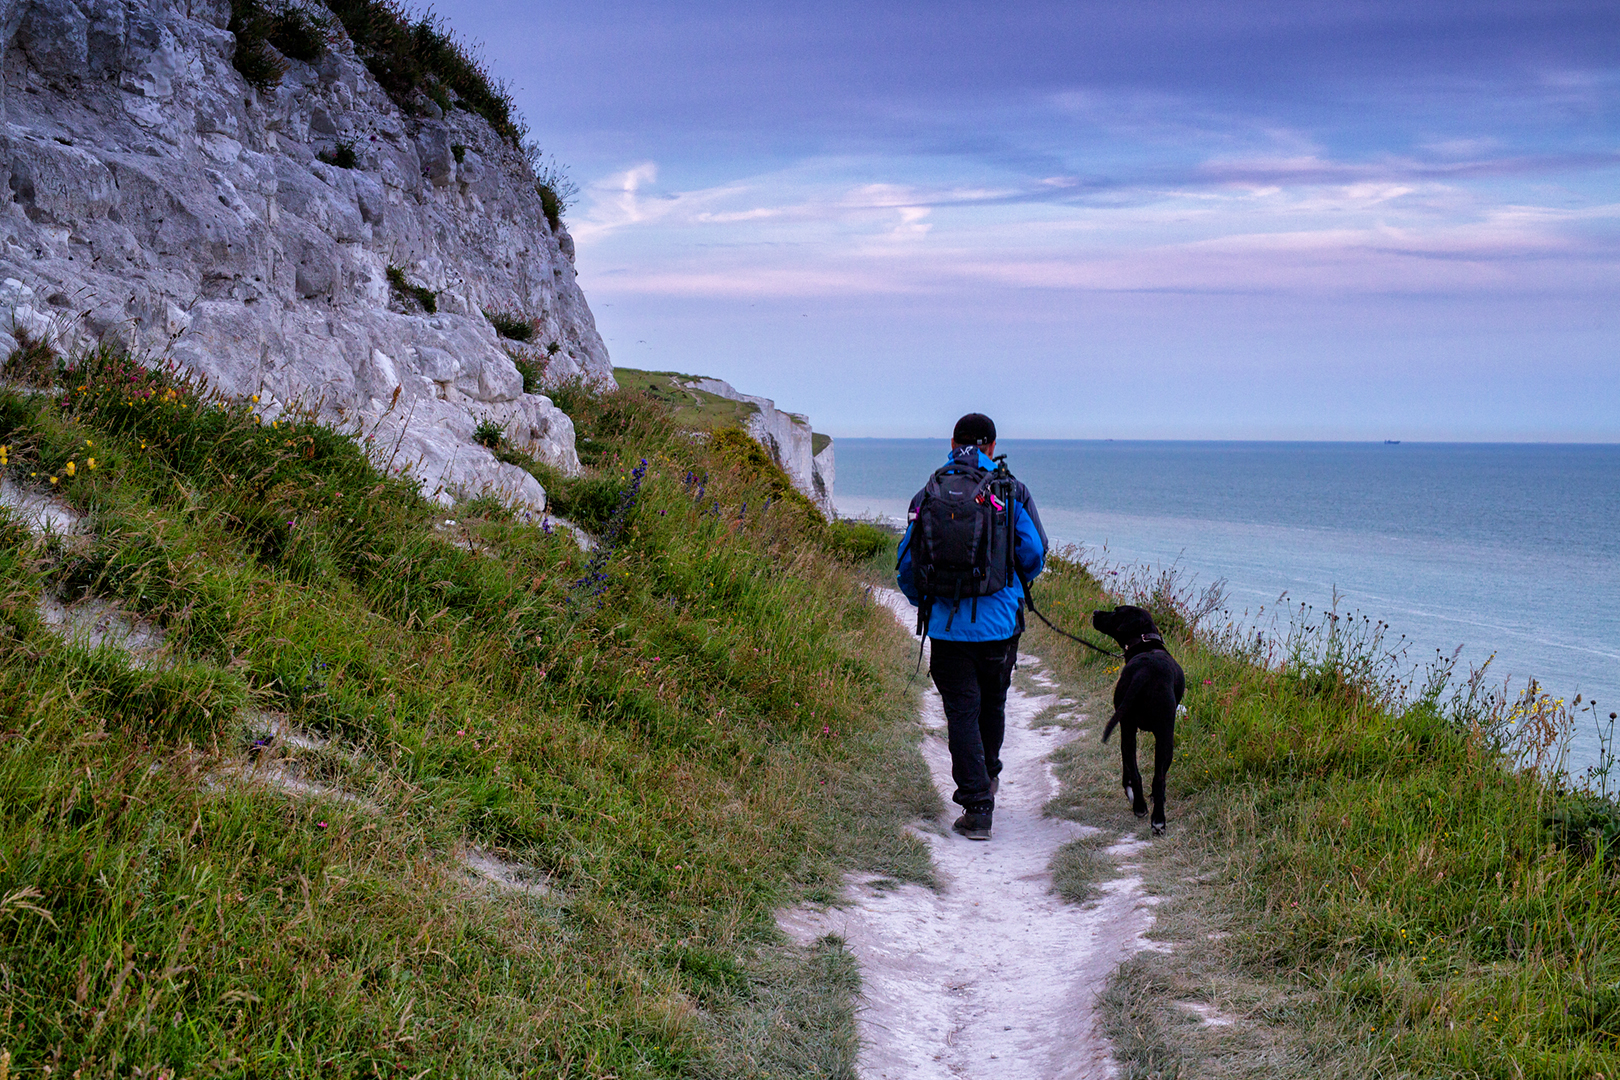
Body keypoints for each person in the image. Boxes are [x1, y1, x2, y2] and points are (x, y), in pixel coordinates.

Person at [896, 413, 1048, 840]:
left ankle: (977, 806)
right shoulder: (1010, 490)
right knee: (993, 702)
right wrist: (1014, 585)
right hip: (1000, 624)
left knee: (962, 711)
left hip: (946, 627)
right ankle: (989, 775)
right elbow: (1035, 550)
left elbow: (907, 565)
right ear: (992, 447)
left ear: (952, 442)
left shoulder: (929, 491)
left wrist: (924, 600)